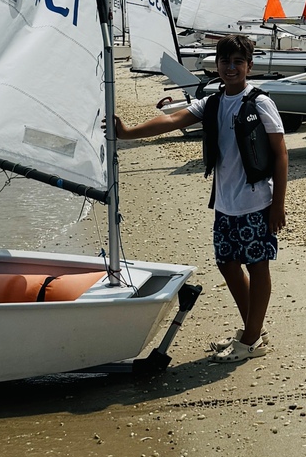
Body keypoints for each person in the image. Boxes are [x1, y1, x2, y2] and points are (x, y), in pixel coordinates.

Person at [114, 31, 287, 360]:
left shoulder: (260, 102)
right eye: (225, 62)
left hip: (256, 204)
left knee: (258, 266)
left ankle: (250, 340)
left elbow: (281, 154)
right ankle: (254, 330)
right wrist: (128, 133)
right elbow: (171, 119)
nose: (231, 68)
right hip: (225, 205)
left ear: (249, 66)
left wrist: (278, 204)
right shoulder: (213, 102)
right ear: (217, 66)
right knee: (227, 264)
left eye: (238, 62)